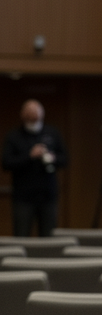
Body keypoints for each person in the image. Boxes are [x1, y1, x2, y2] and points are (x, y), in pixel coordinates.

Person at [2, 100, 68, 236]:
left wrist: (52, 157)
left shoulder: (52, 133)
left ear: (42, 114)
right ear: (22, 114)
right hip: (23, 197)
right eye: (29, 113)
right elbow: (6, 163)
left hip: (48, 194)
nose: (33, 116)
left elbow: (65, 159)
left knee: (49, 236)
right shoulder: (14, 136)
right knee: (21, 235)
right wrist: (30, 156)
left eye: (36, 113)